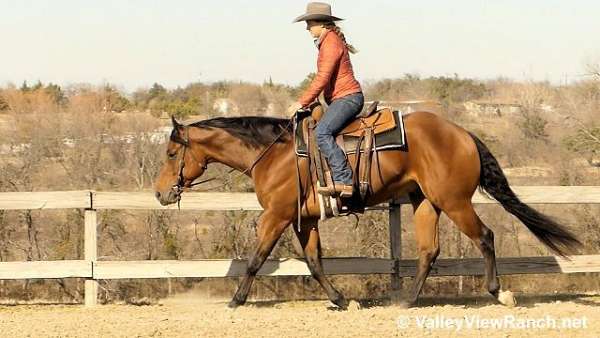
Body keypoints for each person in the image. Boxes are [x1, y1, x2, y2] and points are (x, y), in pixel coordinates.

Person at [287, 2, 364, 198]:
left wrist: (301, 102)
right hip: (341, 99)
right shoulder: (327, 41)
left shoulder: (330, 43)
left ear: (322, 24)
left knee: (322, 133)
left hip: (348, 98)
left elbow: (322, 77)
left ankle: (344, 180)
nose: (307, 28)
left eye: (310, 23)